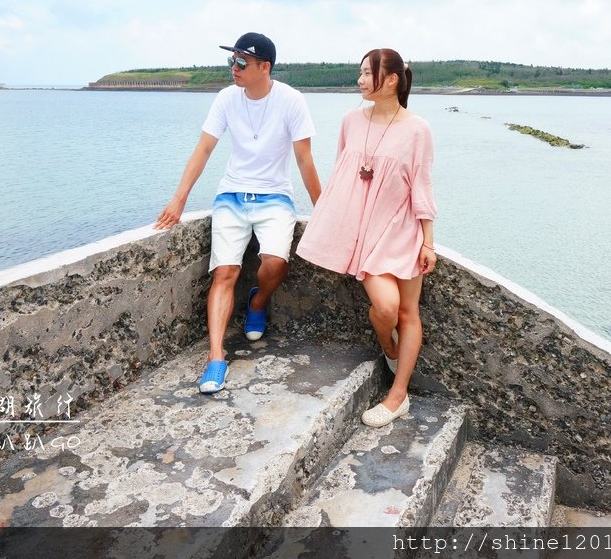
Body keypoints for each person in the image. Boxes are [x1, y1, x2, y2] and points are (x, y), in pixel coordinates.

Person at [154, 32, 321, 394]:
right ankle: (216, 358)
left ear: (265, 67)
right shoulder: (227, 98)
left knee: (276, 263)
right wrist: (179, 198)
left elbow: (304, 159)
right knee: (225, 271)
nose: (235, 67)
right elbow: (204, 149)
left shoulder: (291, 100)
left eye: (242, 62)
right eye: (233, 60)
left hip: (275, 197)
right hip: (231, 195)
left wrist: (323, 211)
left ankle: (257, 301)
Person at [296, 48, 436, 428]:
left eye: (365, 73)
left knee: (407, 312)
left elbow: (421, 187)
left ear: (390, 80)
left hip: (403, 231)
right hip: (368, 236)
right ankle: (388, 346)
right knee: (386, 308)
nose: (359, 80)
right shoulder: (350, 121)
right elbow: (345, 178)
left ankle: (398, 395)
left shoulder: (417, 129)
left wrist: (428, 240)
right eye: (359, 72)